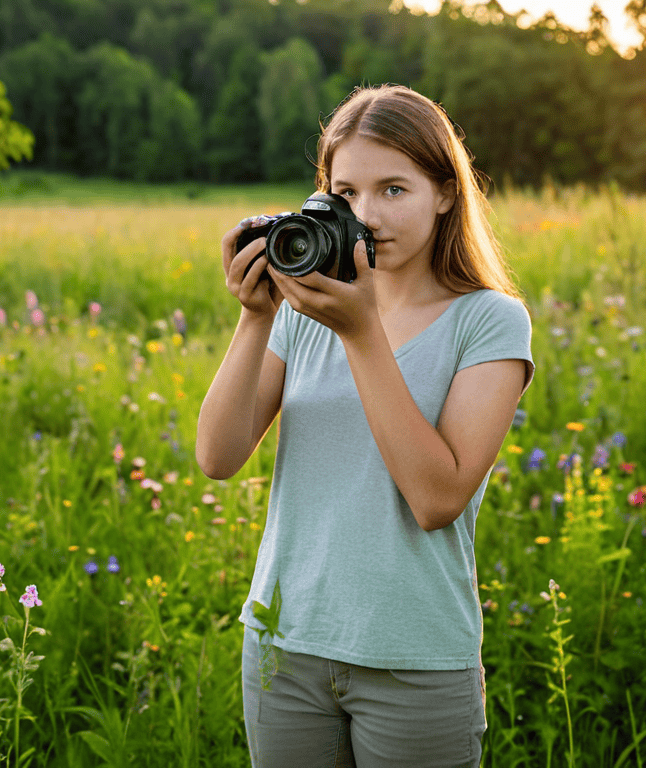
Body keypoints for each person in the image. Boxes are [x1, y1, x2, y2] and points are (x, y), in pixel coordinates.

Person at [195, 84, 534, 768]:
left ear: (444, 192)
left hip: (413, 657)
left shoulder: (489, 321)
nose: (368, 214)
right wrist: (256, 315)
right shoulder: (303, 309)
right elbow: (218, 456)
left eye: (394, 189)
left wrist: (361, 332)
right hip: (284, 644)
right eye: (346, 192)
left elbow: (437, 498)